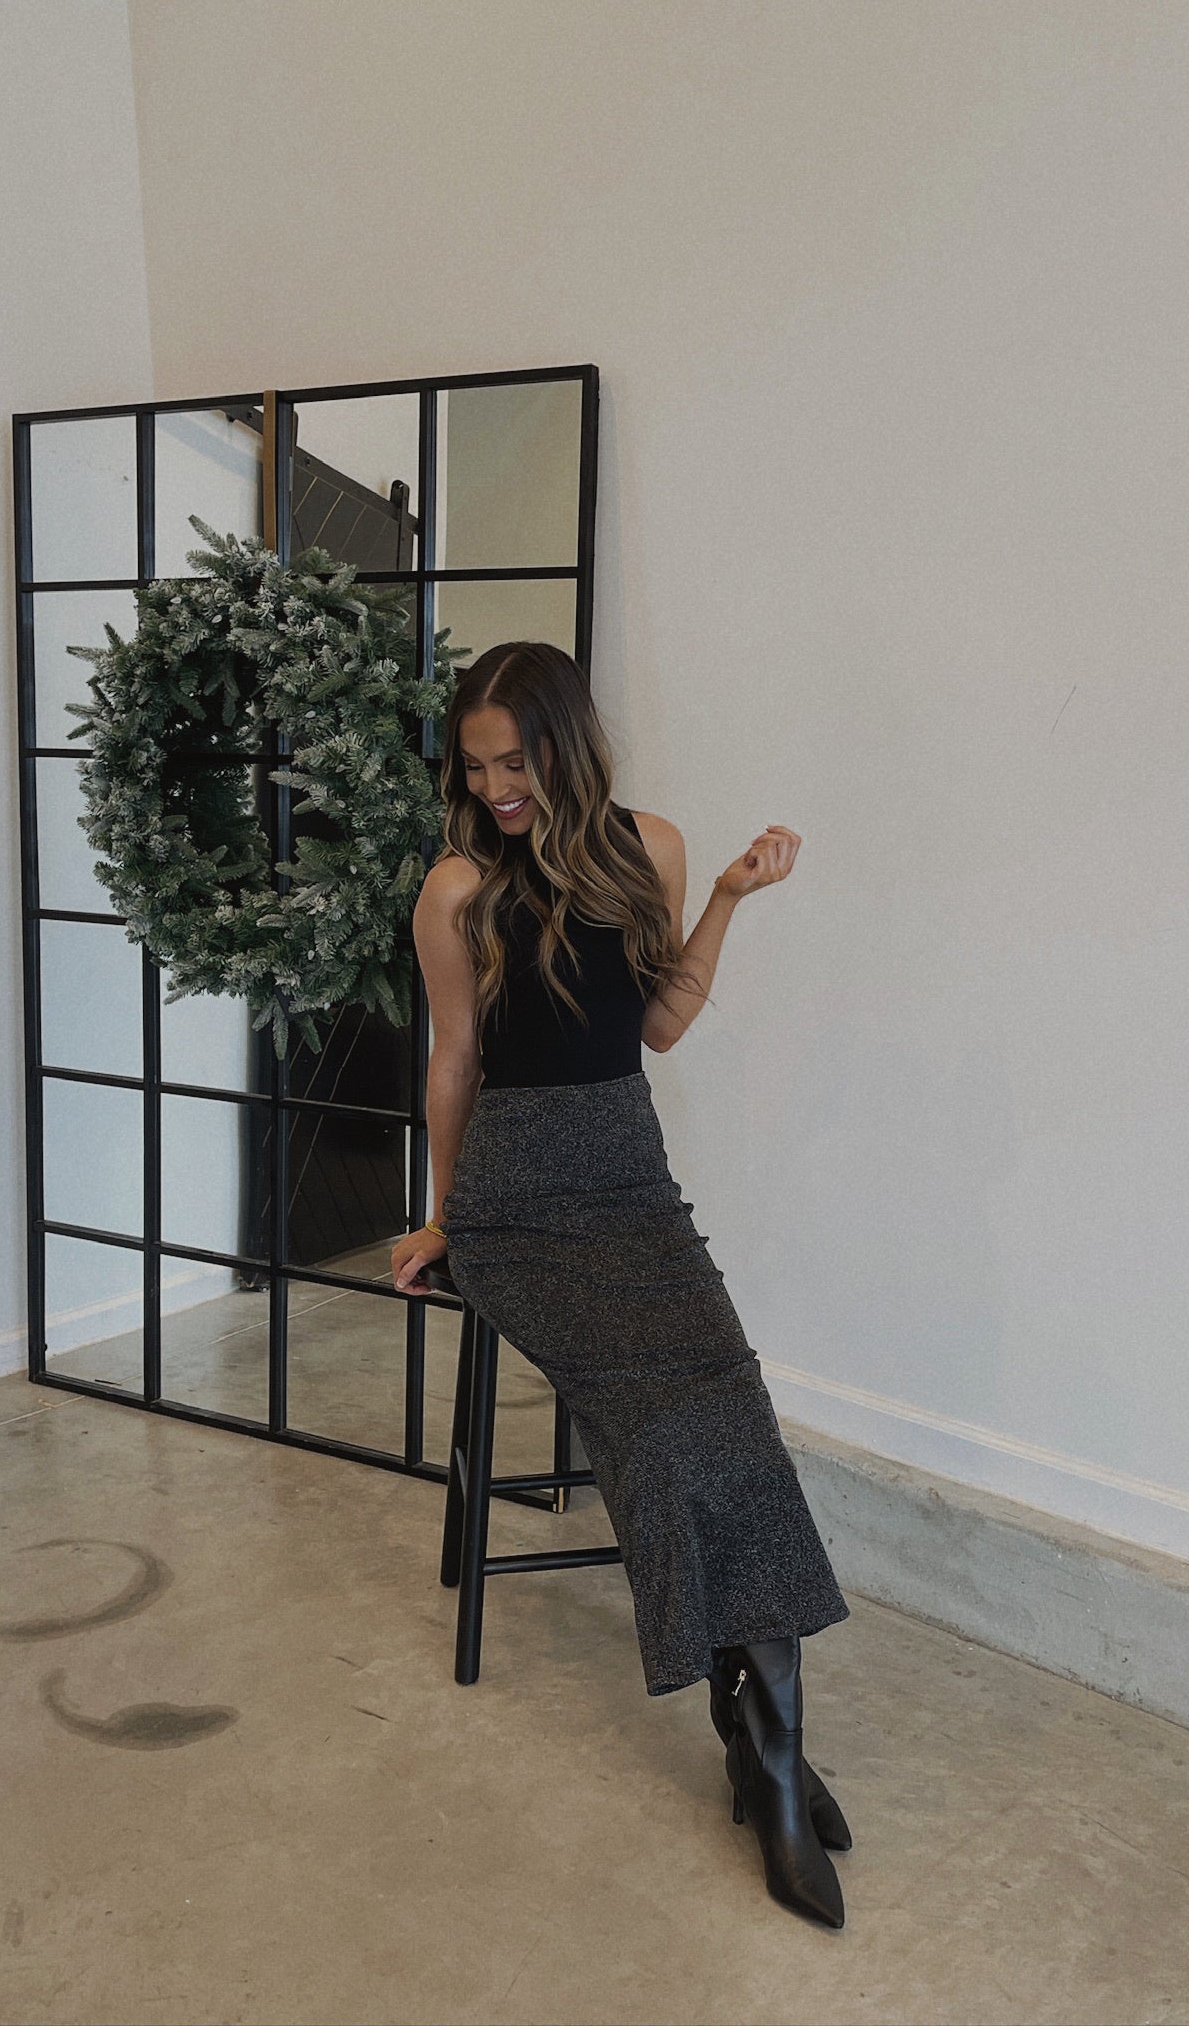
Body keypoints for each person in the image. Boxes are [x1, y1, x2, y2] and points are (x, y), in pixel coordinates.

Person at [390, 641, 852, 1931]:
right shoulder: (457, 890)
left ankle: (763, 1731)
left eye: (514, 762)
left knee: (731, 1409)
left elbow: (658, 1022)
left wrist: (729, 900)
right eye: (474, 768)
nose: (494, 789)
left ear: (566, 746)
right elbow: (454, 1062)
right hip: (520, 1203)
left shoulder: (650, 847)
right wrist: (443, 1217)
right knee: (652, 1424)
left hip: (630, 1183)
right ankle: (768, 1760)